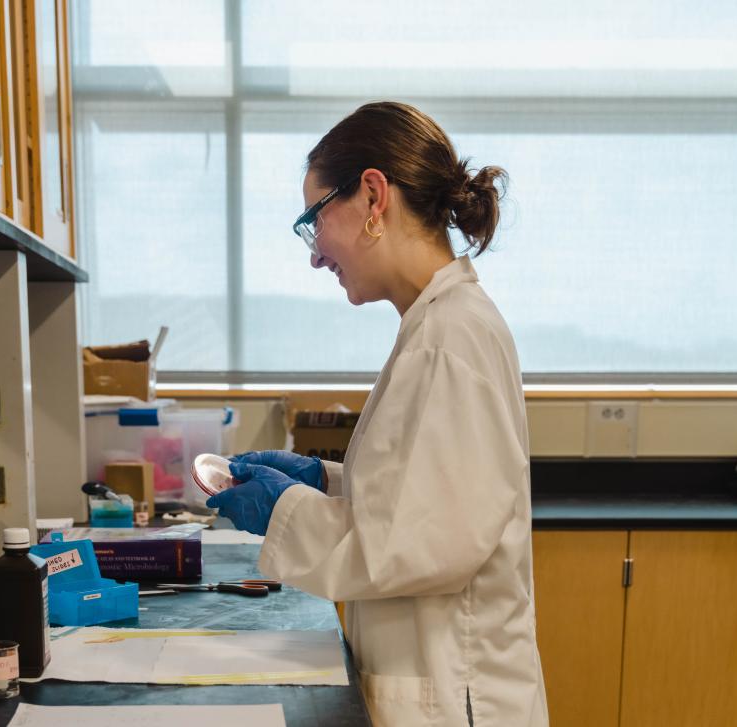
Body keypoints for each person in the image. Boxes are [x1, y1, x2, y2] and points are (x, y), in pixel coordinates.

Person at [206, 101, 548, 726]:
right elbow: (421, 499)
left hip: (454, 697)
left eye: (314, 220)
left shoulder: (452, 339)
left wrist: (284, 508)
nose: (314, 254)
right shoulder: (433, 326)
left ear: (372, 195)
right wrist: (325, 481)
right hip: (434, 683)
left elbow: (421, 546)